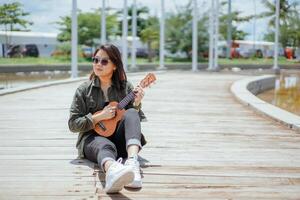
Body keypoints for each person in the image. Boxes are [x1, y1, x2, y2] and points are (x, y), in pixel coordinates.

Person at [68, 44, 147, 193]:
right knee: (104, 146)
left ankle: (132, 163)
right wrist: (98, 117)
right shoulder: (84, 90)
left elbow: (133, 122)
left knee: (132, 113)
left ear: (115, 65)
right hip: (92, 139)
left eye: (104, 61)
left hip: (119, 140)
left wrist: (136, 104)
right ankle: (112, 171)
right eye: (95, 60)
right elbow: (73, 124)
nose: (98, 64)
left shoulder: (125, 88)